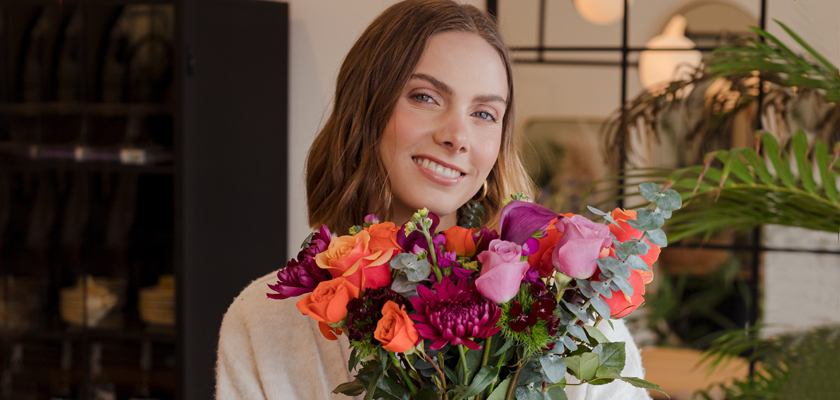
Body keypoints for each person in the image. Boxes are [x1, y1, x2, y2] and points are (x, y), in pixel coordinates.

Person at [215, 1, 651, 399]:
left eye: (484, 114)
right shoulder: (263, 324)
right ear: (365, 108)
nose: (457, 136)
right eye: (425, 97)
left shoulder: (578, 330)